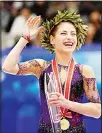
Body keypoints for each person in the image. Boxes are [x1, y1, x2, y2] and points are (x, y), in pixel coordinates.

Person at [2, 10, 101, 133]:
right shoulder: (41, 66)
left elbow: (97, 111)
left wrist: (67, 104)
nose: (69, 37)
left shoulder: (84, 70)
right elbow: (7, 67)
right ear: (52, 39)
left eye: (73, 34)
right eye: (64, 33)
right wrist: (25, 39)